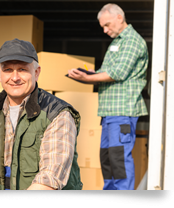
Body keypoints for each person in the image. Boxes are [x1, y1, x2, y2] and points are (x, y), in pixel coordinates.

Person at [0, 38, 83, 190]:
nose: (15, 78)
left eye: (22, 69)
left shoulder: (57, 114)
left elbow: (49, 180)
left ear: (36, 73)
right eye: (8, 70)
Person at [68, 3, 148, 190]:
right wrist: (86, 75)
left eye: (107, 24)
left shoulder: (131, 41)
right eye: (103, 26)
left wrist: (88, 77)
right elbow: (105, 72)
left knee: (118, 158)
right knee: (107, 158)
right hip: (109, 113)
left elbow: (117, 73)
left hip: (123, 111)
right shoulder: (117, 42)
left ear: (120, 17)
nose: (105, 30)